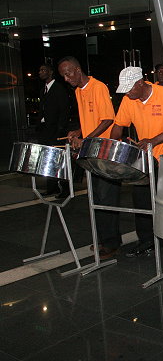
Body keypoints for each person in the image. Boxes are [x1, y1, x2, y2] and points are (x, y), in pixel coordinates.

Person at [110, 66, 163, 257]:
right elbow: (118, 125)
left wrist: (153, 141)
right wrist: (111, 146)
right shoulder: (129, 100)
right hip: (146, 158)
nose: (127, 93)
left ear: (140, 83)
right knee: (142, 201)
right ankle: (146, 241)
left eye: (129, 88)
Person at [58, 56, 120, 260]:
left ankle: (111, 244)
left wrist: (86, 139)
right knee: (96, 197)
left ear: (77, 70)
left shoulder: (98, 87)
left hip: (105, 150)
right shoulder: (78, 91)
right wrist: (78, 132)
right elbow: (89, 121)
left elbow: (108, 119)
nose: (66, 79)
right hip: (91, 151)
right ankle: (104, 239)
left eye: (68, 74)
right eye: (63, 76)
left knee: (107, 197)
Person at [37, 63, 70, 197]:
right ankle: (52, 187)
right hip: (45, 129)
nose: (40, 72)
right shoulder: (43, 90)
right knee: (47, 159)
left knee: (59, 160)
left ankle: (65, 188)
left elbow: (64, 110)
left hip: (56, 130)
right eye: (40, 70)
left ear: (50, 72)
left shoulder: (59, 88)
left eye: (43, 70)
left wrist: (60, 129)